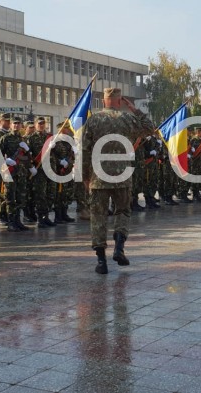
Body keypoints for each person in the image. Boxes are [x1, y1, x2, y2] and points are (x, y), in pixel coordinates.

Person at [81, 87, 155, 274]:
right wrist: (135, 110)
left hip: (99, 176)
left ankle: (101, 262)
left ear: (104, 101)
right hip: (122, 175)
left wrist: (85, 176)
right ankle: (119, 248)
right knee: (122, 211)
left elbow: (85, 149)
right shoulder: (128, 119)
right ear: (120, 101)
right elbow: (150, 128)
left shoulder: (94, 120)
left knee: (98, 216)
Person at [27, 116, 56, 227]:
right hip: (39, 170)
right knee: (40, 194)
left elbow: (58, 153)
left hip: (51, 169)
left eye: (43, 123)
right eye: (39, 123)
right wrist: (31, 166)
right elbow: (28, 155)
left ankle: (46, 216)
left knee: (51, 194)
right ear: (35, 125)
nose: (41, 125)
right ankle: (40, 218)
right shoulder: (31, 138)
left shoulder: (50, 137)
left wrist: (54, 146)